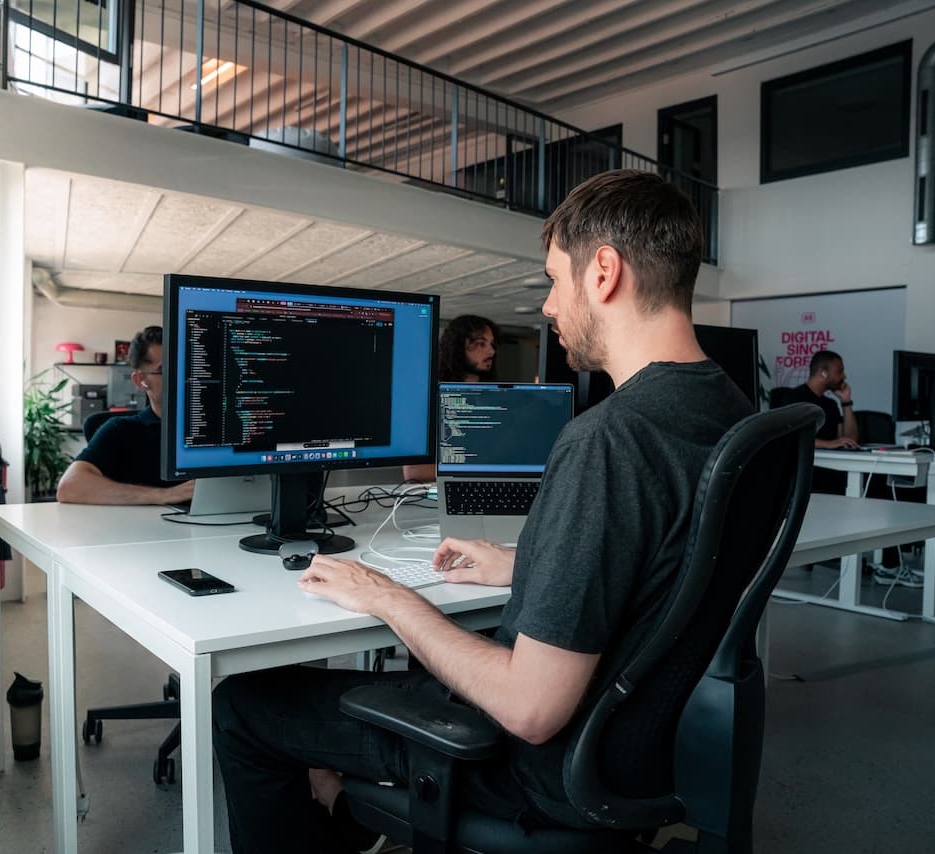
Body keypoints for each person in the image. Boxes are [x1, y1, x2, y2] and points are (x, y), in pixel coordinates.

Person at [211, 169, 754, 854]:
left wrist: (387, 596)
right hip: (651, 745)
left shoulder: (608, 439)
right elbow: (672, 567)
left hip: (542, 769)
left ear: (605, 272)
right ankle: (346, 805)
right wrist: (529, 565)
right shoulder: (732, 413)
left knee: (241, 707)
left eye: (556, 279)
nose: (551, 306)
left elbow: (531, 708)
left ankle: (339, 804)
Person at [55, 325, 194, 506]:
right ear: (140, 381)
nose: (180, 376)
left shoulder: (215, 428)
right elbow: (70, 487)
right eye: (164, 369)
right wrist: (165, 495)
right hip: (149, 532)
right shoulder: (121, 430)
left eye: (185, 365)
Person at [402, 314, 503, 483]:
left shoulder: (496, 400)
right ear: (457, 346)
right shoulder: (428, 399)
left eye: (492, 345)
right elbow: (414, 472)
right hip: (439, 495)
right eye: (480, 344)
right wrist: (481, 467)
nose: (491, 352)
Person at [787, 350, 859, 451]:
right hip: (804, 464)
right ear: (824, 373)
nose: (844, 376)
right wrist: (829, 444)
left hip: (829, 462)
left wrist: (846, 401)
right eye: (839, 371)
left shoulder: (831, 404)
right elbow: (790, 438)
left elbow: (850, 441)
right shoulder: (794, 398)